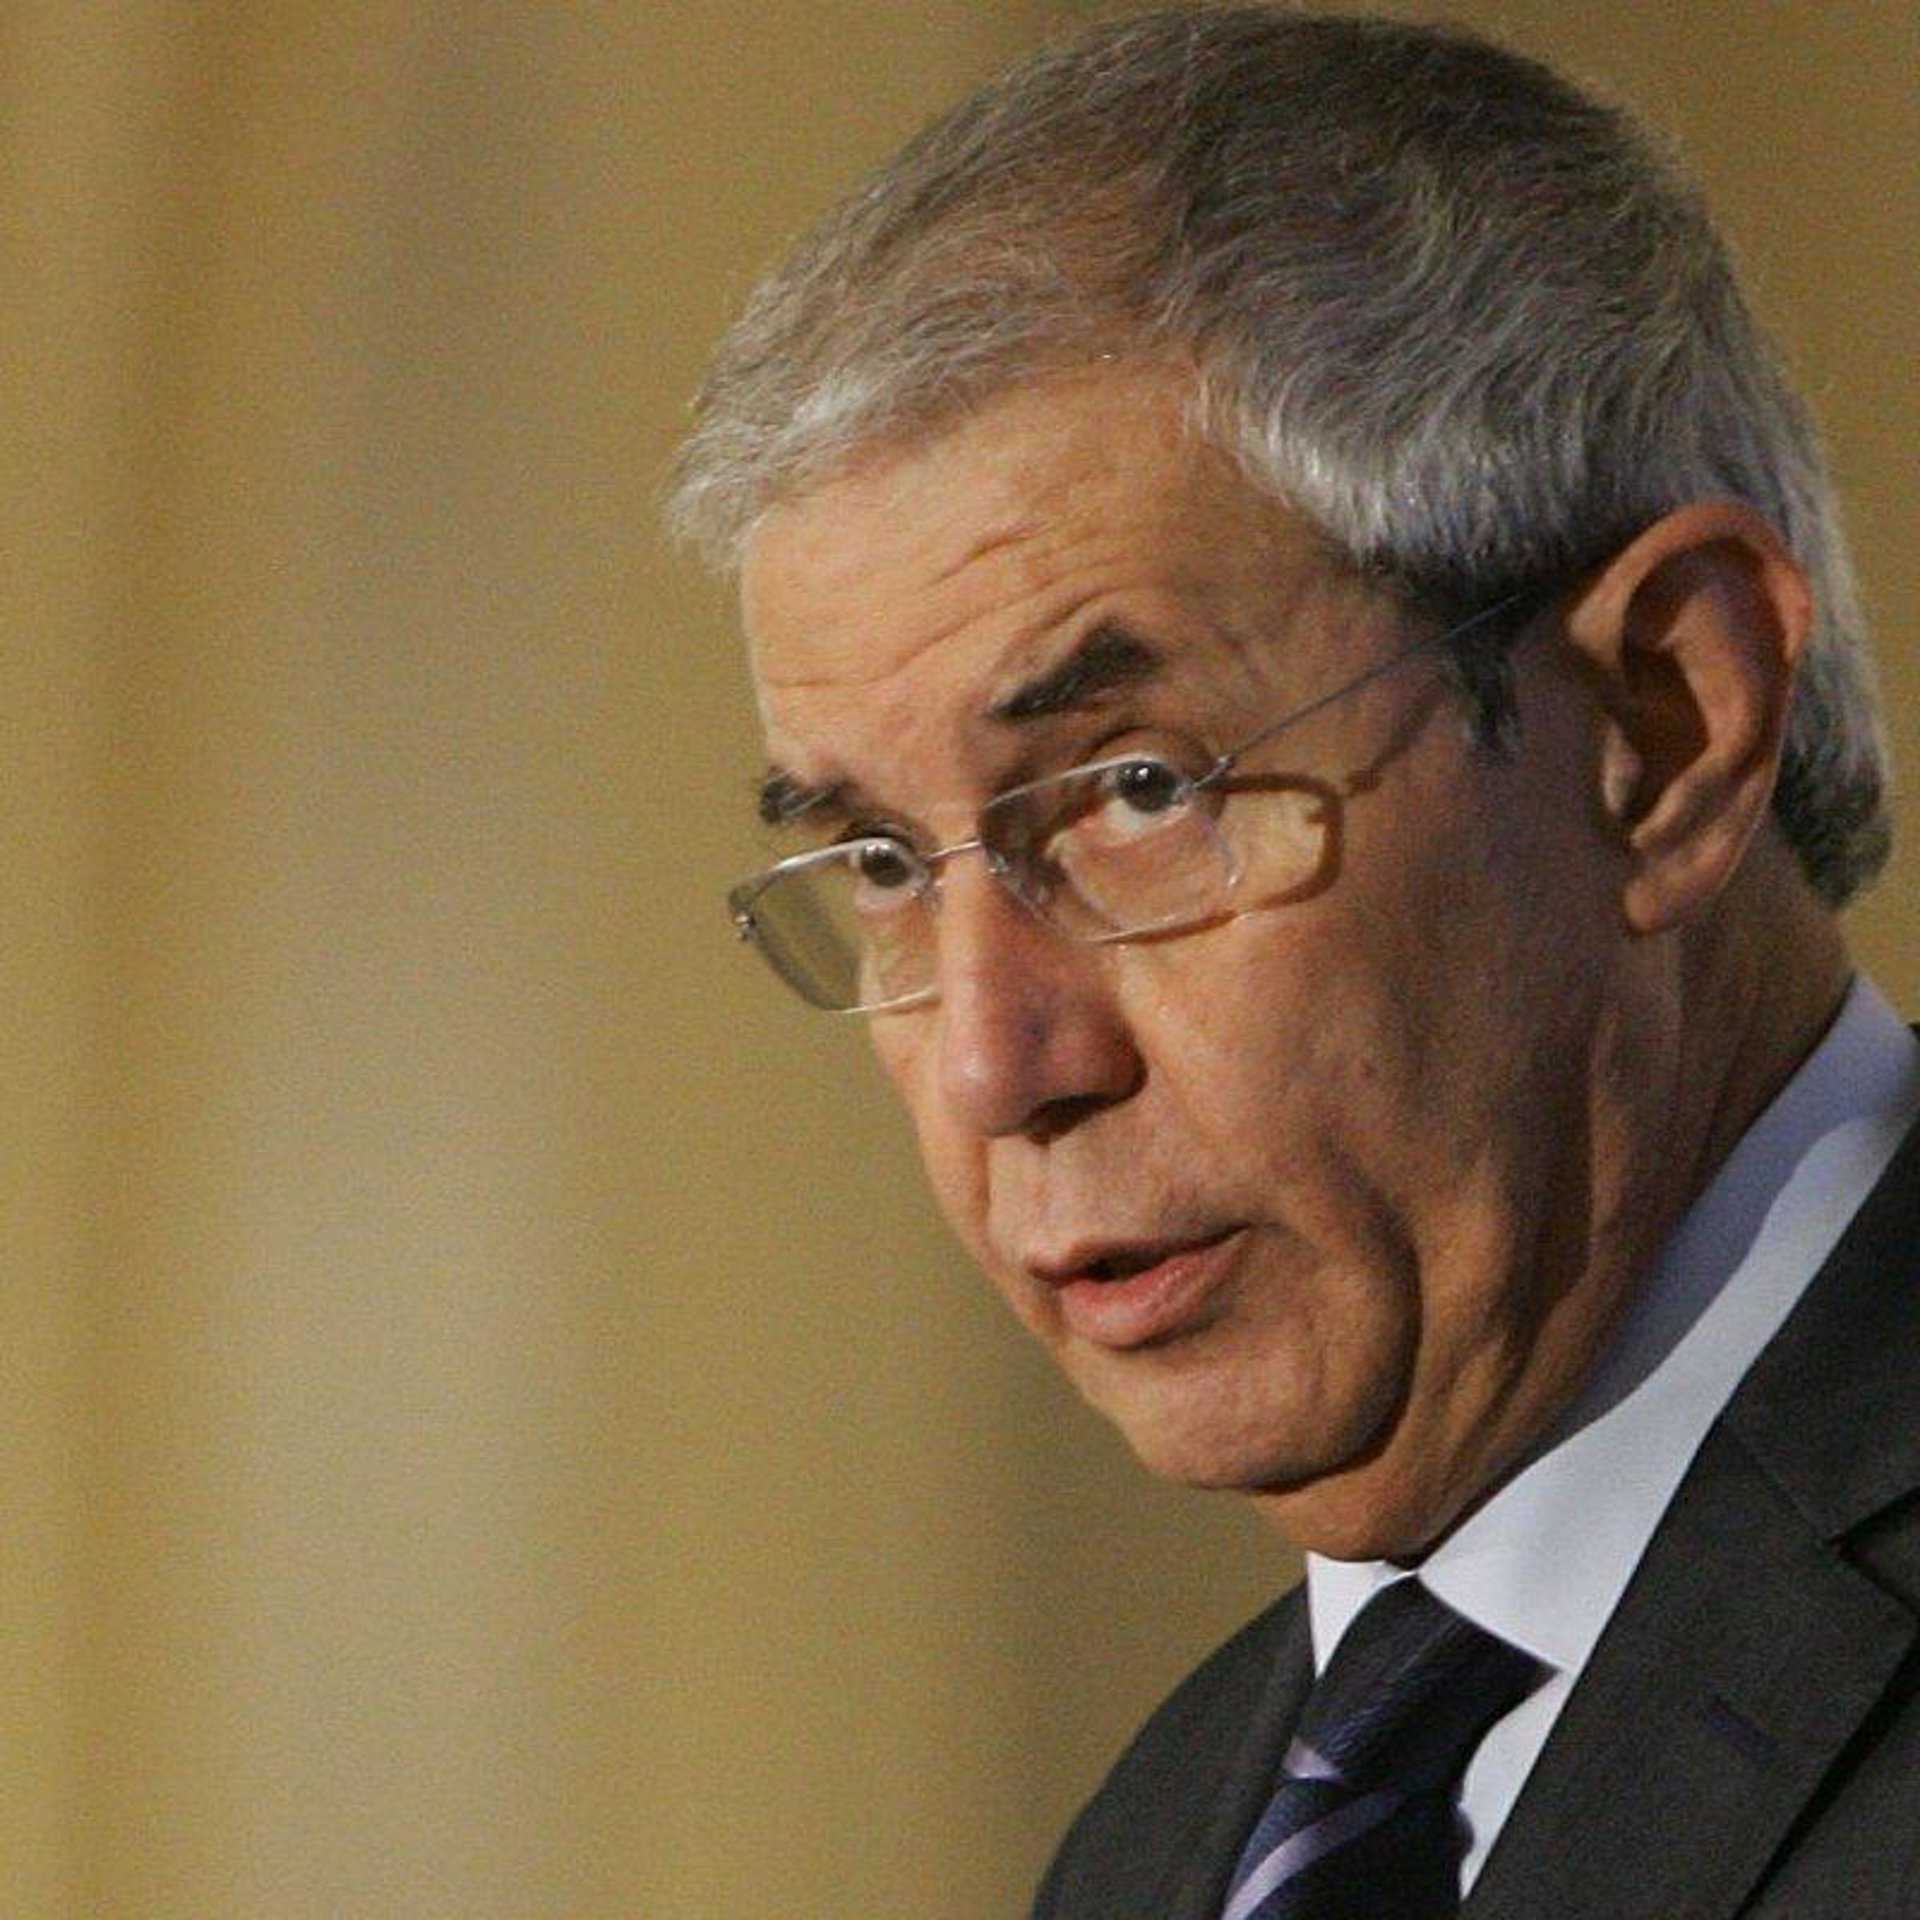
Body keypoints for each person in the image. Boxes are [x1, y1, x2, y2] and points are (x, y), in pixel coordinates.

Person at [669, 9, 1920, 1914]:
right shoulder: (1167, 1844)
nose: (999, 1064)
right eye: (884, 864)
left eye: (1139, 790)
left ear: (1667, 726)